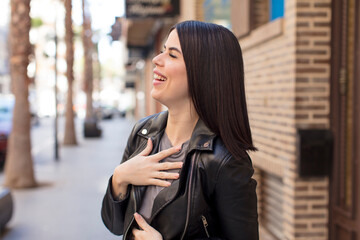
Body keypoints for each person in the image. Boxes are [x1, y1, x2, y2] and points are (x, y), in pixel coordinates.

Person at [101, 20, 259, 240]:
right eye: (163, 50)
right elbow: (115, 224)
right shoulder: (143, 131)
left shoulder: (225, 161)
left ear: (204, 72)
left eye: (172, 55)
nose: (157, 59)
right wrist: (120, 178)